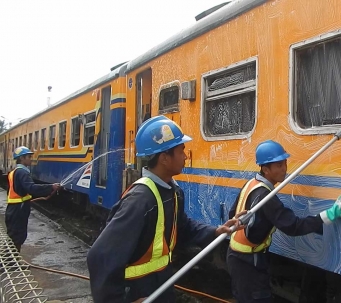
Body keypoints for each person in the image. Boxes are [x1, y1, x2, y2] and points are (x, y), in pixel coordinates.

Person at [87, 115, 245, 303]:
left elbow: (182, 227)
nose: (186, 156)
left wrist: (217, 230)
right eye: (181, 150)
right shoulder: (140, 200)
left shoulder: (172, 191)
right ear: (164, 158)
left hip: (160, 285)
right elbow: (101, 257)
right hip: (138, 291)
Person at [227, 140, 341, 303]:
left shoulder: (251, 184)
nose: (284, 169)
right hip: (248, 263)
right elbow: (293, 227)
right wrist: (330, 214)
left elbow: (233, 214)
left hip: (237, 258)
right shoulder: (266, 197)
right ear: (266, 169)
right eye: (279, 165)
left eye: (285, 163)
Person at [5, 146, 61, 252]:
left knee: (14, 236)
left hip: (14, 209)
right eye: (29, 157)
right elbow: (31, 188)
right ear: (22, 158)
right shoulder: (22, 172)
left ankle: (12, 262)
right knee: (17, 238)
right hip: (18, 210)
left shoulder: (15, 171)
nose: (31, 159)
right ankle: (10, 264)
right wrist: (51, 187)